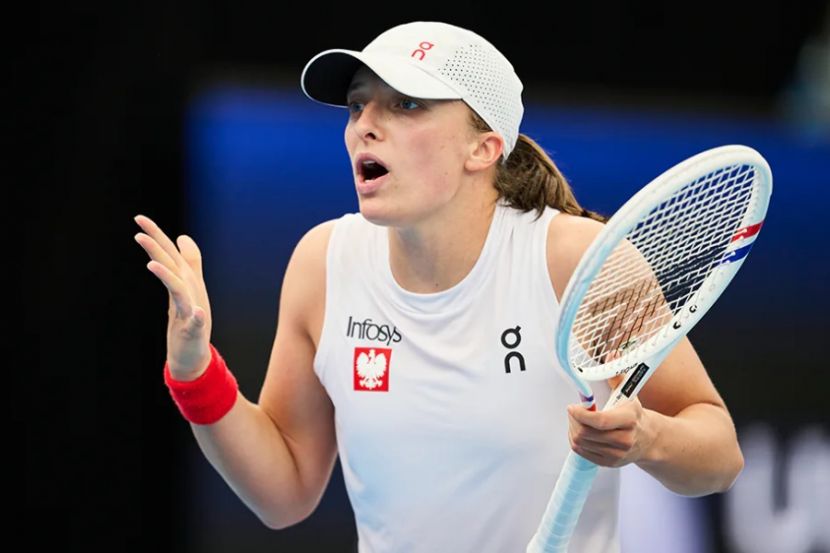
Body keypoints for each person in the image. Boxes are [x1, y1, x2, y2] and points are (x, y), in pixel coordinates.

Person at [133, 21, 744, 553]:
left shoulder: (576, 260)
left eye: (405, 105)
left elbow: (719, 456)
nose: (365, 127)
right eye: (357, 105)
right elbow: (284, 491)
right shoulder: (324, 264)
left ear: (484, 148)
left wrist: (646, 438)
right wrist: (194, 372)